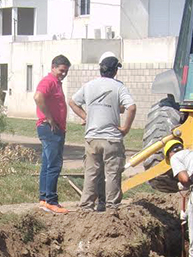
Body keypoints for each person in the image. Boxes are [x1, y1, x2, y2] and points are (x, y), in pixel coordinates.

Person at [68, 52, 136, 211]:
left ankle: (86, 206)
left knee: (91, 173)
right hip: (112, 139)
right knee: (112, 173)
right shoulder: (119, 87)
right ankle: (112, 207)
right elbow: (131, 107)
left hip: (92, 137)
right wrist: (125, 128)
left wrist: (87, 117)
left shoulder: (89, 85)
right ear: (115, 71)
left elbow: (72, 102)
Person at [34, 55, 72, 214]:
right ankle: (51, 200)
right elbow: (38, 97)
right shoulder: (48, 81)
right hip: (50, 129)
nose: (63, 74)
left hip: (52, 128)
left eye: (66, 71)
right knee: (54, 165)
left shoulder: (56, 83)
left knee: (47, 164)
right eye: (61, 71)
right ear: (53, 67)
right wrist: (50, 119)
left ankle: (44, 199)